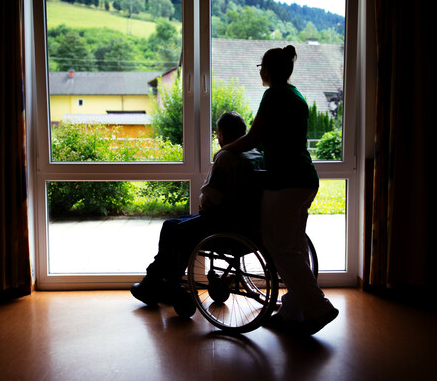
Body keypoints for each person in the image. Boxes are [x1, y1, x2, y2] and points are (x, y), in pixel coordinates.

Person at [219, 45, 338, 336]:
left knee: (278, 246)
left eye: (261, 67)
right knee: (295, 247)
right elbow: (274, 139)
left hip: (285, 181)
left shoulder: (273, 95)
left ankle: (318, 306)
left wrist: (223, 151)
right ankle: (292, 310)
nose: (260, 72)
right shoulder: (296, 96)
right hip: (305, 179)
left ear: (268, 70)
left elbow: (253, 137)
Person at [131, 111, 264, 313]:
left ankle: (162, 283)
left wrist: (203, 203)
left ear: (222, 133)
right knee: (180, 224)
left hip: (225, 227)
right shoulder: (256, 155)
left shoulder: (227, 157)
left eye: (218, 133)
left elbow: (210, 198)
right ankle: (159, 282)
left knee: (172, 228)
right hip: (250, 227)